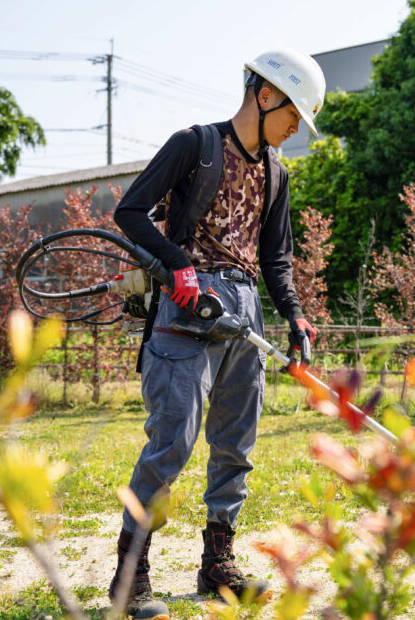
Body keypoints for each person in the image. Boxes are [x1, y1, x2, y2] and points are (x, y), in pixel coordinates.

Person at [108, 49, 324, 617]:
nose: (296, 126)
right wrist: (177, 264)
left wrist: (295, 315)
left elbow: (276, 259)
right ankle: (130, 576)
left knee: (235, 443)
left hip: (245, 309)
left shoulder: (277, 174)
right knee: (173, 440)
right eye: (294, 112)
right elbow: (130, 212)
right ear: (266, 93)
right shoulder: (195, 145)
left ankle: (217, 563)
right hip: (187, 308)